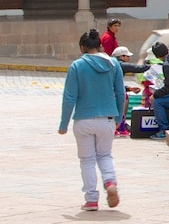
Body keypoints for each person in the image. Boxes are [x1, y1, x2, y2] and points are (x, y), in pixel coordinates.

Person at [58, 29, 126, 211]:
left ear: (82, 47)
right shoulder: (114, 64)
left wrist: (63, 124)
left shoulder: (77, 66)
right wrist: (119, 118)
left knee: (87, 160)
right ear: (100, 46)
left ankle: (91, 199)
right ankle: (110, 181)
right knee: (105, 155)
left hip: (83, 119)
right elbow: (121, 94)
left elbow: (69, 97)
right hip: (107, 118)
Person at [111, 46, 150, 137]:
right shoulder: (120, 64)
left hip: (109, 90)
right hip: (111, 93)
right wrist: (150, 65)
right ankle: (119, 124)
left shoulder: (112, 63)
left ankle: (119, 124)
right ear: (122, 56)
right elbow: (137, 68)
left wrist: (129, 89)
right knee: (124, 97)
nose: (129, 58)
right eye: (127, 56)